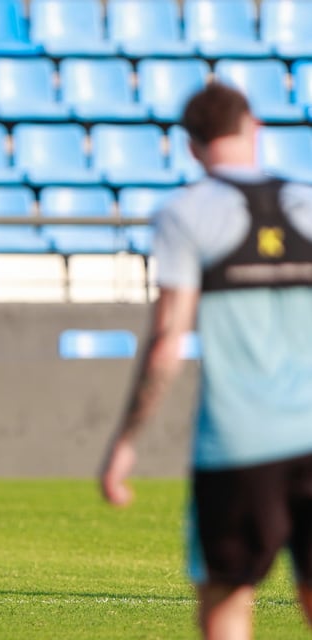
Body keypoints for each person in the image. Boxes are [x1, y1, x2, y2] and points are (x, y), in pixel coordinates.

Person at [100, 82, 312, 639]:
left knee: (226, 600)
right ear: (255, 127)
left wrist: (126, 442)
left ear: (191, 147)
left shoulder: (184, 214)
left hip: (239, 443)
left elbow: (168, 339)